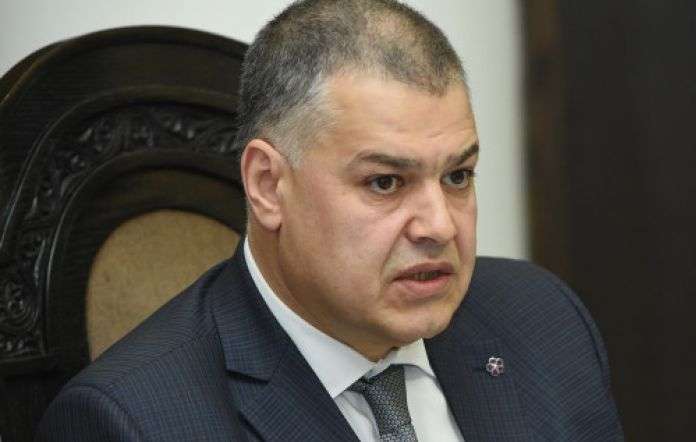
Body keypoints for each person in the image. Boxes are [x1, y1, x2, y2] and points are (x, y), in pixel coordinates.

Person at [37, 0, 624, 440]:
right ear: (268, 185)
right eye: (385, 182)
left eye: (457, 176)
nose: (440, 227)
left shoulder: (543, 320)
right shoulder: (133, 422)